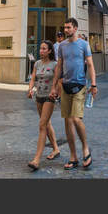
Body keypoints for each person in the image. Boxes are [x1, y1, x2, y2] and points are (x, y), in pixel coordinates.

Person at [50, 18, 97, 170]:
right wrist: (54, 86)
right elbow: (59, 66)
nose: (66, 30)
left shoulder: (84, 44)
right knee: (67, 122)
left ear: (75, 28)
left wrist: (94, 84)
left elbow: (90, 64)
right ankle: (73, 156)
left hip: (80, 86)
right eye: (65, 28)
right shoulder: (62, 46)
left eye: (69, 28)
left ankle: (85, 148)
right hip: (65, 87)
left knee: (76, 119)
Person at [26, 40, 61, 171]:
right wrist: (30, 89)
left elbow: (57, 81)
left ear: (50, 51)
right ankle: (56, 149)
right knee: (47, 124)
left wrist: (56, 92)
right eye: (40, 48)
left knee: (42, 125)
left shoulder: (55, 64)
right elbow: (33, 78)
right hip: (39, 96)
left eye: (44, 49)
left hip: (49, 97)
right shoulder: (37, 64)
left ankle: (36, 160)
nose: (41, 51)